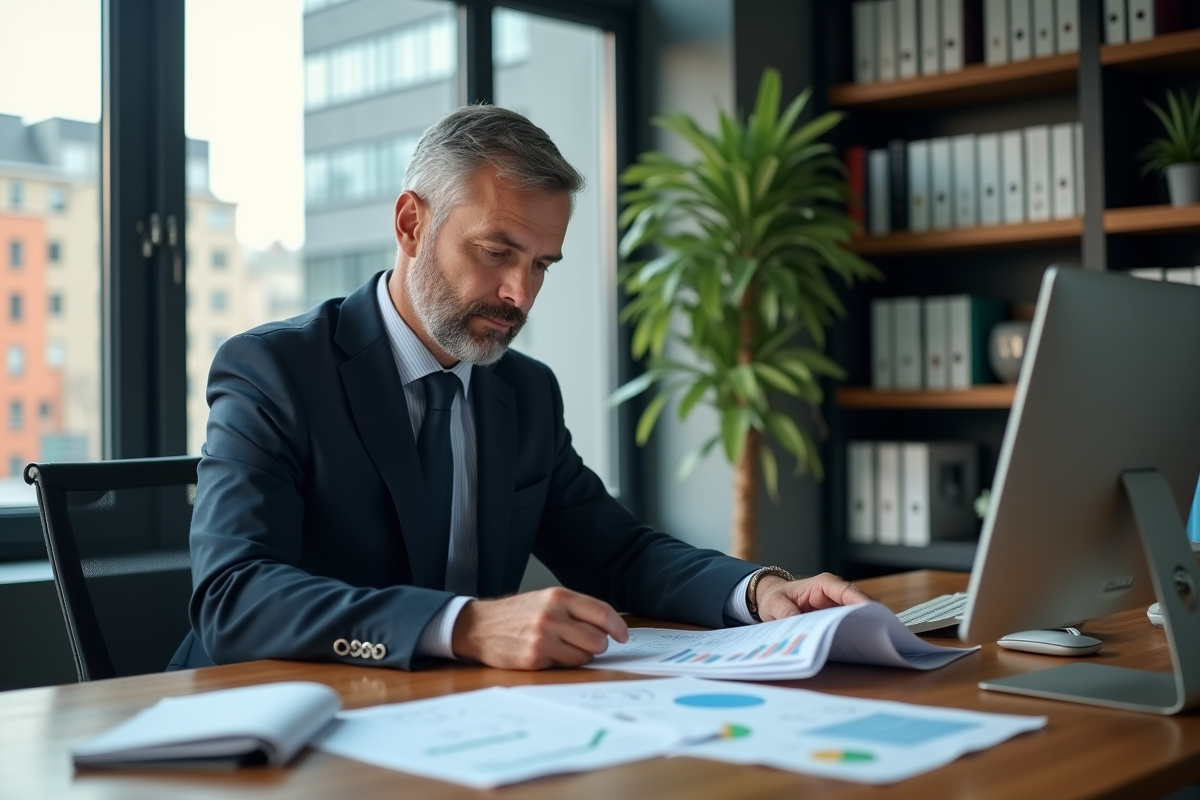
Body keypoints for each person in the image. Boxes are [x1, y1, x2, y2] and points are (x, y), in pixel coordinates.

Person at [169, 105, 868, 673]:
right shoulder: (276, 370)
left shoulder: (524, 393)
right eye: (497, 252)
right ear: (412, 224)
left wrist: (757, 592)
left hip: (450, 725)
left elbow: (616, 552)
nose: (518, 293)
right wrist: (463, 625)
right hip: (268, 729)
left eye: (541, 265)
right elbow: (236, 599)